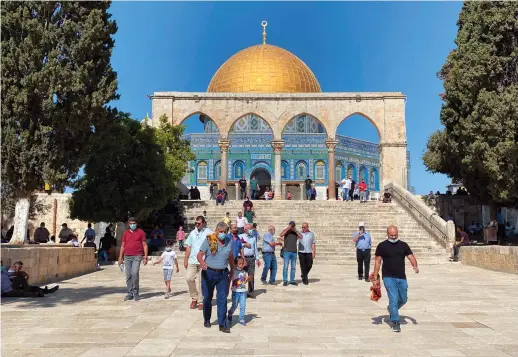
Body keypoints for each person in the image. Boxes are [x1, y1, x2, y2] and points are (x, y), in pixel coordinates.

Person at [371, 225, 419, 333]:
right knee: (393, 299)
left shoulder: (403, 245)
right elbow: (378, 261)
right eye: (391, 235)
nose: (394, 237)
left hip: (401, 276)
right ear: (387, 234)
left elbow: (410, 256)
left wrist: (415, 266)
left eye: (395, 235)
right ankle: (395, 322)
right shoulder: (382, 246)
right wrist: (375, 275)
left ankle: (392, 310)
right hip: (388, 277)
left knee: (403, 299)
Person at [197, 222, 234, 333]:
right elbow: (199, 254)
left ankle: (222, 324)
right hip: (209, 272)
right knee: (207, 297)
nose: (222, 234)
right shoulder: (210, 240)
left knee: (222, 298)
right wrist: (202, 263)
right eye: (220, 232)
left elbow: (230, 257)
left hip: (222, 274)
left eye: (224, 232)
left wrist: (232, 270)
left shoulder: (229, 241)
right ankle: (207, 319)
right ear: (216, 231)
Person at [184, 216, 212, 310]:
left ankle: (201, 301)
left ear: (203, 223)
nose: (196, 225)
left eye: (198, 223)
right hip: (192, 260)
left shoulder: (209, 232)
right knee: (189, 278)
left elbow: (212, 246)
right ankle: (194, 297)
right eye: (195, 223)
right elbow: (188, 246)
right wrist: (185, 259)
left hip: (203, 260)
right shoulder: (192, 233)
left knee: (201, 281)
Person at [118, 217, 148, 302]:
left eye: (134, 223)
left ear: (136, 223)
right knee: (128, 275)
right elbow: (123, 246)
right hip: (127, 256)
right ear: (128, 224)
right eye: (130, 223)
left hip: (137, 256)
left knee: (134, 273)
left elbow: (145, 245)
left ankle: (136, 293)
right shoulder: (126, 233)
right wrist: (120, 258)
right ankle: (130, 293)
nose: (132, 225)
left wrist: (145, 257)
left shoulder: (141, 232)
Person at [240, 223, 261, 298]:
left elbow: (255, 248)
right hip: (242, 259)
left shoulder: (253, 238)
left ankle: (251, 291)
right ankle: (241, 291)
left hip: (251, 258)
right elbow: (238, 246)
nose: (251, 230)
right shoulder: (240, 236)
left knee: (251, 275)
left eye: (251, 228)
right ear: (245, 229)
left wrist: (257, 259)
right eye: (249, 228)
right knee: (241, 275)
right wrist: (244, 244)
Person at [227, 257, 250, 326]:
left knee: (243, 305)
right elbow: (230, 279)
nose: (241, 265)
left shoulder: (244, 271)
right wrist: (227, 288)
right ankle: (230, 312)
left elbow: (245, 281)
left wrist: (247, 279)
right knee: (235, 305)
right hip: (235, 291)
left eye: (242, 263)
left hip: (243, 291)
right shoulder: (233, 271)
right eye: (239, 263)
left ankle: (241, 318)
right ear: (236, 264)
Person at [280, 221, 302, 286]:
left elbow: (301, 237)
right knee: (286, 267)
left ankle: (292, 280)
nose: (291, 227)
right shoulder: (286, 231)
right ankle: (285, 280)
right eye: (291, 225)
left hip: (294, 252)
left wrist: (295, 230)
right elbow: (281, 235)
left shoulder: (295, 232)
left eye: (292, 226)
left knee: (293, 267)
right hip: (286, 251)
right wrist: (288, 228)